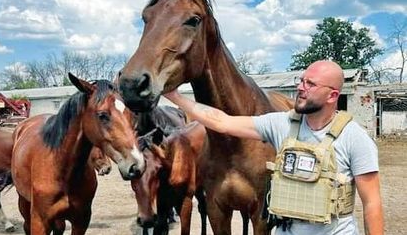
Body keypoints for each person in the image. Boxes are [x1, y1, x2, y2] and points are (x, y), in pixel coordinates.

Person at [164, 60, 383, 235]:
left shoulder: (354, 137)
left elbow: (371, 203)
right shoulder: (282, 124)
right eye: (301, 81)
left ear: (332, 96)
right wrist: (174, 96)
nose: (300, 87)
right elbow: (222, 121)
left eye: (310, 84)